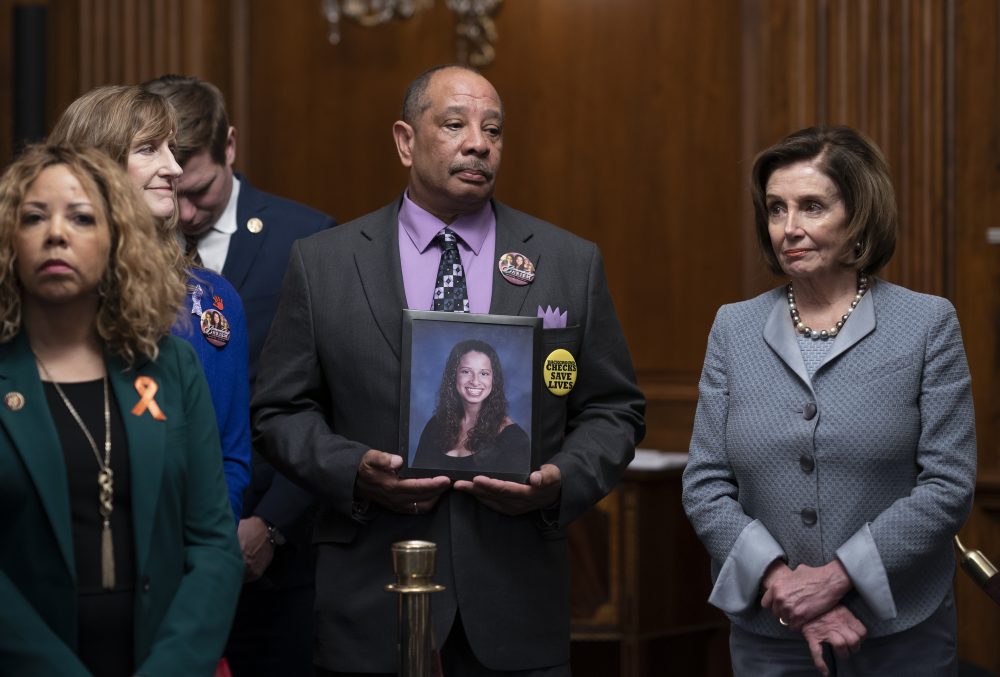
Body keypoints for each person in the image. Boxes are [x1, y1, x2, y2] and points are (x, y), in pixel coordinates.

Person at [252, 64, 645, 675]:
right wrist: (352, 471)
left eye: (493, 129)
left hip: (515, 595)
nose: (478, 143)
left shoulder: (568, 262)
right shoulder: (323, 264)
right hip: (370, 590)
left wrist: (559, 479)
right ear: (406, 141)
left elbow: (614, 409)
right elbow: (279, 410)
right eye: (455, 124)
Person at [681, 125, 976, 676]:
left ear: (859, 215)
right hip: (771, 630)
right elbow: (705, 485)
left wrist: (836, 578)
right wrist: (784, 585)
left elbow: (948, 483)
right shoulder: (733, 328)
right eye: (775, 209)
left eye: (812, 207)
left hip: (899, 631)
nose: (788, 228)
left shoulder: (926, 324)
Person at [0, 144, 242, 676]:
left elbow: (213, 545)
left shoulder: (171, 367)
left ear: (116, 240)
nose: (56, 233)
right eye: (34, 217)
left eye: (82, 217)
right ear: (9, 242)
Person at [142, 74, 336, 677]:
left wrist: (272, 526)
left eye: (200, 191)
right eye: (176, 192)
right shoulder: (125, 249)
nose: (187, 213)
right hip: (163, 557)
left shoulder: (308, 239)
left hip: (280, 556)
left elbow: (335, 399)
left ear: (230, 147)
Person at [48, 84, 251, 522]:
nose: (174, 168)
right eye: (147, 149)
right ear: (95, 164)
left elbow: (229, 457)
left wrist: (203, 558)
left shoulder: (214, 300)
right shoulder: (43, 297)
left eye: (171, 149)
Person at [411, 339, 530, 475]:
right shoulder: (435, 425)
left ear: (494, 379)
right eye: (466, 371)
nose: (475, 381)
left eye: (484, 373)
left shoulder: (514, 439)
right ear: (453, 376)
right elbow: (415, 481)